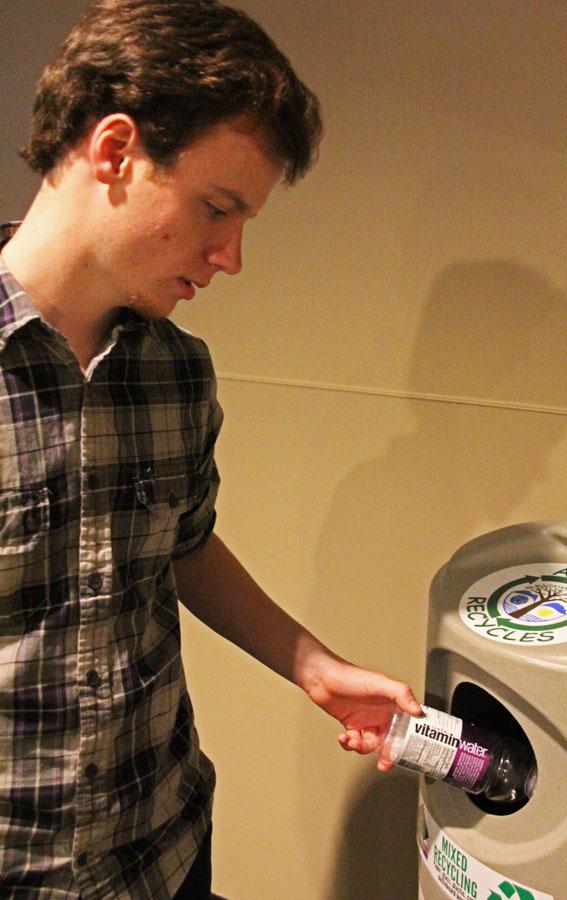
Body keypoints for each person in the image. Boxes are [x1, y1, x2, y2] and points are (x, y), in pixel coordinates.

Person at [0, 1, 421, 896]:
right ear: (114, 152)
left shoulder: (176, 372)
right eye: (216, 208)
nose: (230, 256)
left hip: (164, 849)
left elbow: (182, 543)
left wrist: (314, 665)